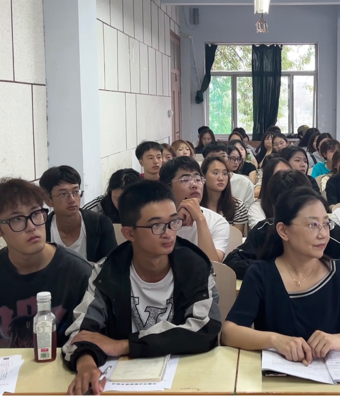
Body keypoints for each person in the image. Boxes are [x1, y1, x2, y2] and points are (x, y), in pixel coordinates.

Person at [62, 180, 221, 395]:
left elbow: (206, 328)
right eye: (157, 225)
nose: (168, 233)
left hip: (187, 378)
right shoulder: (107, 272)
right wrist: (86, 363)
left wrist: (125, 345)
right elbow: (81, 333)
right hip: (121, 382)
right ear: (129, 233)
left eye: (173, 222)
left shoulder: (195, 267)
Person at [222, 186, 340, 359]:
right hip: (277, 373)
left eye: (326, 224)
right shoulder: (261, 274)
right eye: (313, 225)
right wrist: (273, 340)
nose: (323, 234)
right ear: (283, 231)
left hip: (330, 373)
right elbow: (229, 332)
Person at [0, 179, 91, 349]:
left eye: (35, 214)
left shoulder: (79, 273)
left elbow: (89, 342)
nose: (31, 227)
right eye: (17, 219)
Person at [225, 173, 340, 280]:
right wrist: (276, 270)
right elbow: (232, 262)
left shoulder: (327, 230)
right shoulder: (264, 230)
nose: (322, 233)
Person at [40, 166, 117, 262]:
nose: (72, 199)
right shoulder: (42, 229)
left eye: (76, 192)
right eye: (63, 194)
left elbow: (113, 264)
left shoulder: (101, 224)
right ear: (49, 200)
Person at [160, 157, 230, 262]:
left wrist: (200, 219)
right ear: (168, 187)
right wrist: (175, 220)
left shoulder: (217, 222)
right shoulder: (156, 220)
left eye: (198, 179)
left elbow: (213, 266)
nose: (194, 185)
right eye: (185, 180)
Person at [200, 156, 249, 233]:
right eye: (215, 173)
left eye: (225, 174)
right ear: (203, 176)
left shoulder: (237, 206)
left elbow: (236, 238)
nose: (221, 178)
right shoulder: (196, 205)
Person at [203, 142, 254, 210]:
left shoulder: (245, 183)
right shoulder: (199, 184)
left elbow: (249, 211)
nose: (219, 160)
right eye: (213, 157)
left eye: (223, 156)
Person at [249, 156, 291, 229]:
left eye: (290, 174)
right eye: (280, 175)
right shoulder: (257, 208)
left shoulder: (302, 203)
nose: (286, 178)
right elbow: (261, 232)